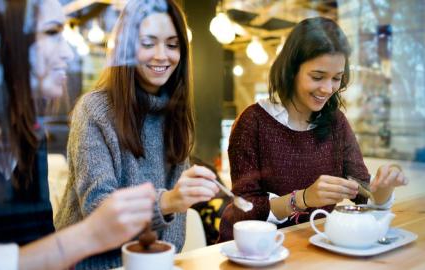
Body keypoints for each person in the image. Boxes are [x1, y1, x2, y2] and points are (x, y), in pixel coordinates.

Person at [0, 0, 156, 269]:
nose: (67, 53)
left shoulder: (29, 141)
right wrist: (88, 235)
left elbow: (39, 243)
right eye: (52, 33)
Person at [54, 0, 220, 269]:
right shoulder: (94, 110)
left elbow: (175, 227)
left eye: (172, 44)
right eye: (148, 43)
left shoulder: (175, 114)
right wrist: (169, 200)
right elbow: (98, 208)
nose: (161, 55)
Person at [218, 17, 408, 242]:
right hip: (254, 251)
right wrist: (303, 198)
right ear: (291, 70)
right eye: (317, 77)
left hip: (312, 247)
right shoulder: (253, 122)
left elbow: (365, 195)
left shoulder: (336, 123)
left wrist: (385, 187)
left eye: (337, 78)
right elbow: (244, 210)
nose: (328, 89)